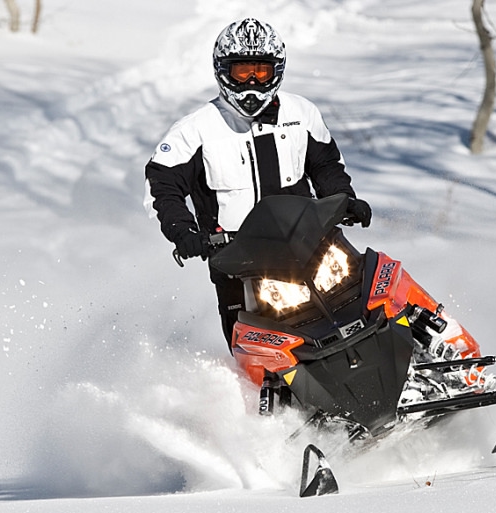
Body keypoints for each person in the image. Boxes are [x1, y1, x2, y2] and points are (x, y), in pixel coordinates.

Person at [144, 18, 371, 346]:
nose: (251, 81)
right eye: (242, 71)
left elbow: (326, 166)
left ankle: (432, 344)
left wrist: (343, 199)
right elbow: (163, 185)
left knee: (372, 286)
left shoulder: (302, 113)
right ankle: (260, 394)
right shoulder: (194, 130)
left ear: (276, 71)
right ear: (223, 72)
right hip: (239, 263)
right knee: (257, 345)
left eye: (261, 71)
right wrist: (184, 232)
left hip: (312, 245)